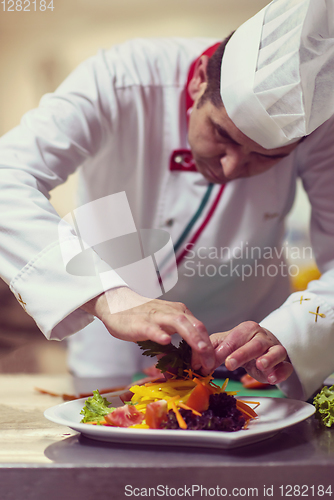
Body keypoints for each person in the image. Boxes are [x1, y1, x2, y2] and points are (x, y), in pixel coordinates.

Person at [1, 0, 334, 400]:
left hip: (249, 346)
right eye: (223, 136)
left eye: (266, 157)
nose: (230, 169)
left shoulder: (319, 127)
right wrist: (111, 298)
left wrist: (291, 329)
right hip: (112, 343)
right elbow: (8, 177)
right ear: (197, 83)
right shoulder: (119, 78)